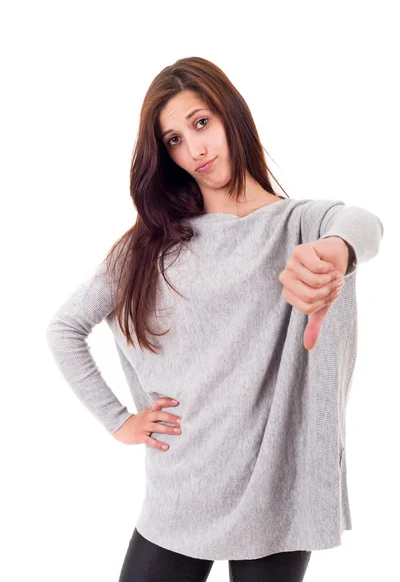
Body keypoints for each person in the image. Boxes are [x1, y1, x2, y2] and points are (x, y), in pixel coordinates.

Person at [45, 56, 384, 582]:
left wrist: (336, 251)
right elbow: (65, 328)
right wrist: (119, 422)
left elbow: (363, 223)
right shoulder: (152, 244)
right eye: (174, 139)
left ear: (231, 116)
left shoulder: (300, 224)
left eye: (201, 122)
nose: (195, 149)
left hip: (276, 488)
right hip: (182, 484)